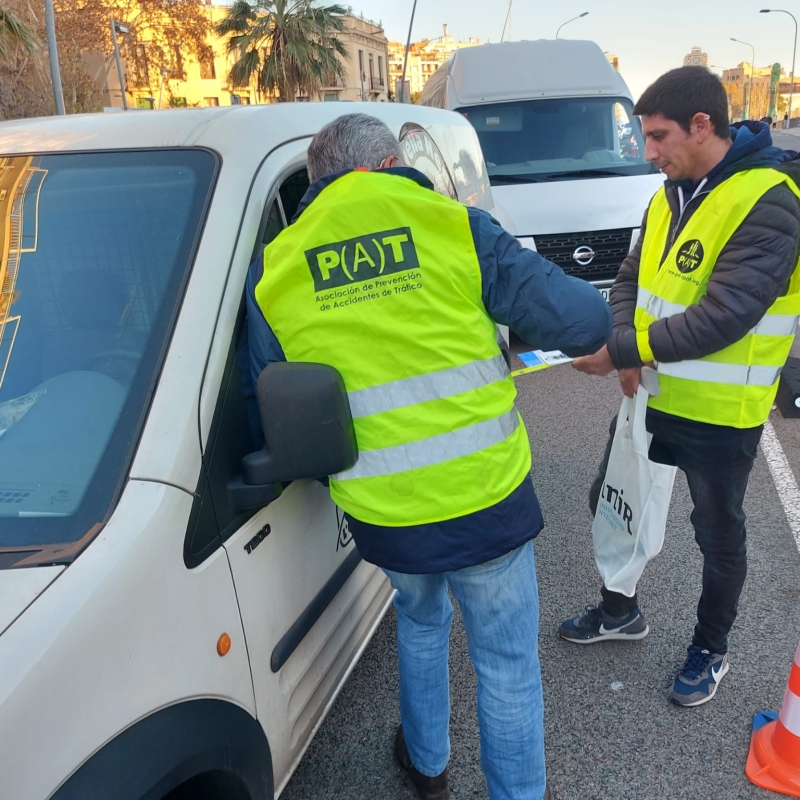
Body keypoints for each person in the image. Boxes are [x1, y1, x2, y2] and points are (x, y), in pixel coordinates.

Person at [246, 113, 612, 800]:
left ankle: (427, 764)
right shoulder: (453, 225)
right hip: (485, 497)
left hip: (384, 511)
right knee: (504, 662)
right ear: (387, 163)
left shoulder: (278, 265)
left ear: (318, 180)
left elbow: (266, 400)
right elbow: (584, 322)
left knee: (419, 619)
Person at [559, 67, 800, 707]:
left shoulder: (769, 200)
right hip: (650, 392)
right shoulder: (669, 191)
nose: (649, 151)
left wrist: (619, 351)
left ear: (702, 125)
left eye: (658, 136)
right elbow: (629, 277)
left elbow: (725, 317)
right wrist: (627, 346)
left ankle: (709, 650)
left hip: (721, 412)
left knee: (717, 536)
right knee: (612, 499)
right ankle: (619, 610)